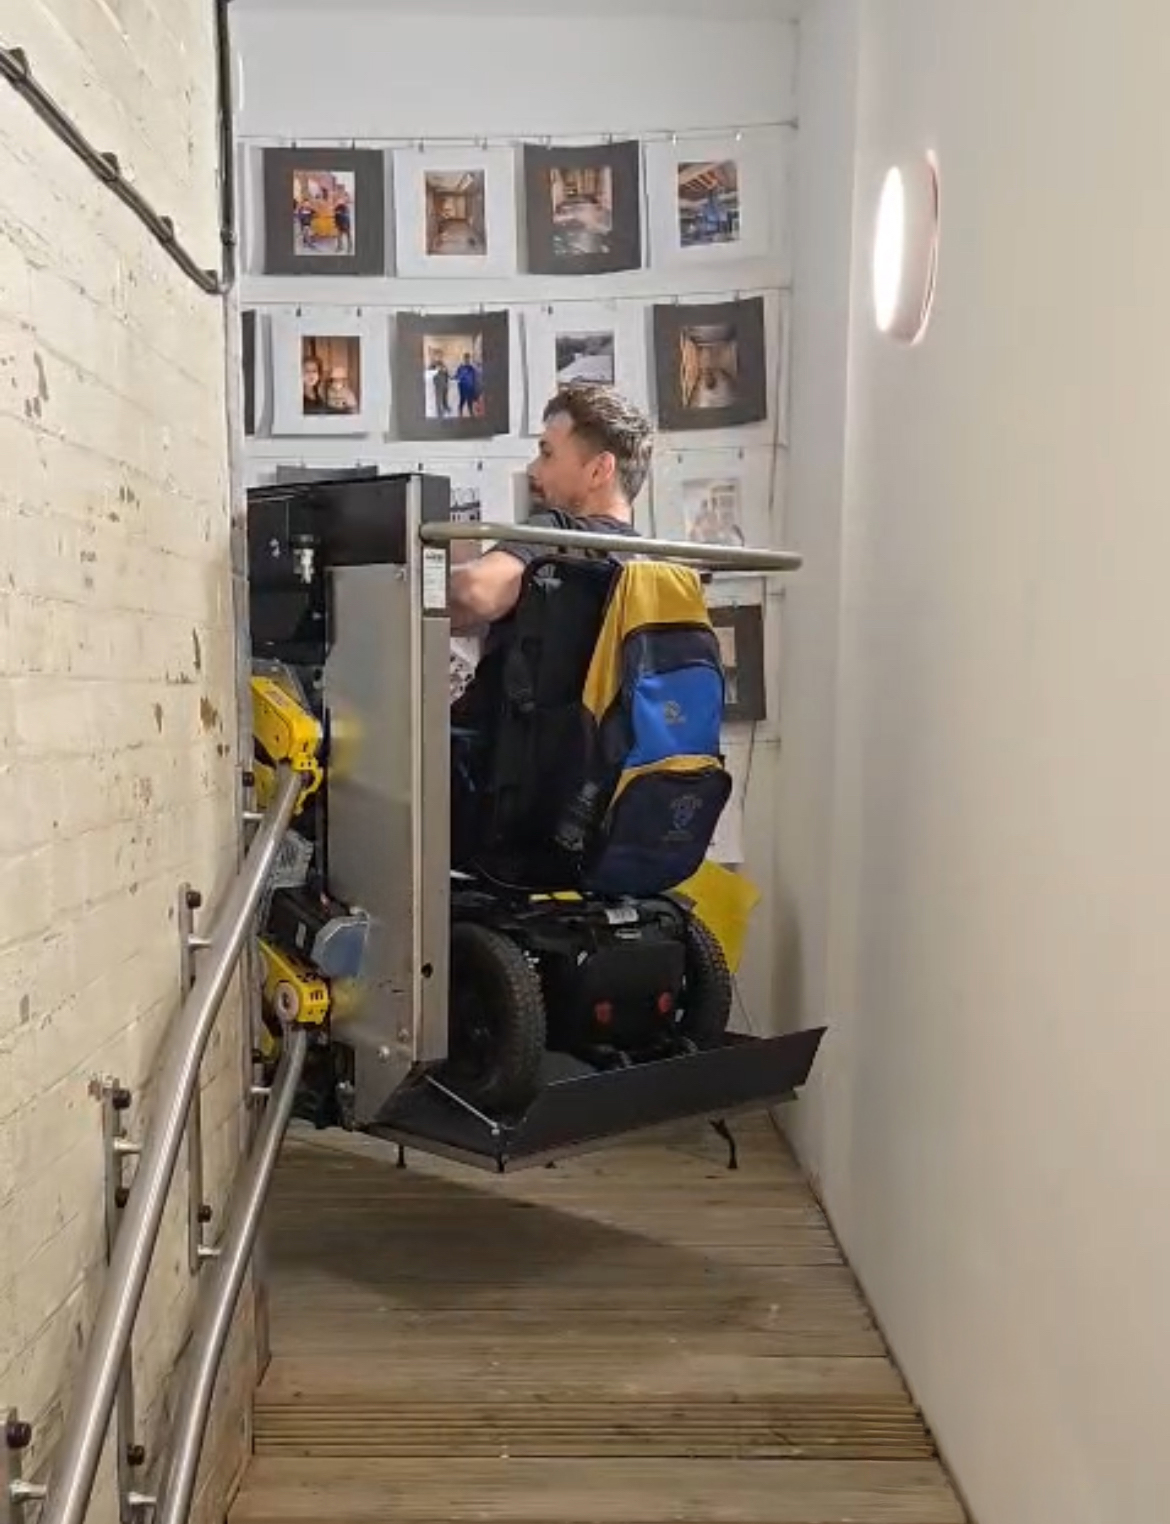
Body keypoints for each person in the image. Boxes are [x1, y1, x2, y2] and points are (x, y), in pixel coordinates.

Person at [448, 382, 654, 866]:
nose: (534, 470)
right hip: (594, 801)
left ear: (599, 469)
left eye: (547, 453)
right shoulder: (652, 562)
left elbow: (472, 593)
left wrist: (404, 579)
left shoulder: (556, 535)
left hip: (506, 795)